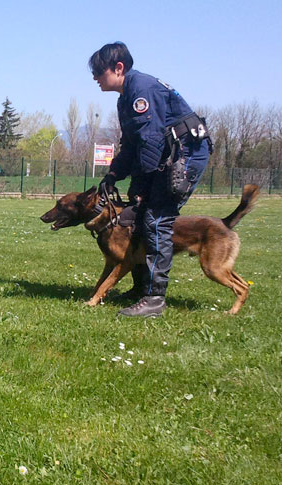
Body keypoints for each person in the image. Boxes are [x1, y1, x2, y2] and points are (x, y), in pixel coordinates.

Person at [89, 42, 211, 317]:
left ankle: (155, 300)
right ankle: (142, 289)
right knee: (141, 217)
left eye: (99, 71)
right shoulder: (126, 96)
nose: (95, 78)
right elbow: (131, 144)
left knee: (156, 219)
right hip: (168, 154)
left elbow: (150, 140)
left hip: (186, 154)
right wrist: (113, 174)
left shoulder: (141, 89)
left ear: (118, 67)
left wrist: (140, 185)